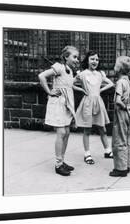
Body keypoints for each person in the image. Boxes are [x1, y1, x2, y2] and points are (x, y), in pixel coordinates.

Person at [38, 46, 79, 176]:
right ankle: (58, 164)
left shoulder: (69, 70)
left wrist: (79, 85)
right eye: (74, 57)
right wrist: (49, 91)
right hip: (58, 103)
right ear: (66, 57)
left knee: (66, 132)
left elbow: (69, 85)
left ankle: (62, 160)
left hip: (67, 104)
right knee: (61, 132)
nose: (77, 59)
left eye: (77, 57)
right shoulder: (59, 67)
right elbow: (42, 76)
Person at [74, 50, 114, 165]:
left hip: (98, 103)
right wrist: (81, 89)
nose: (94, 61)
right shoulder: (82, 74)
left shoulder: (100, 74)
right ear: (87, 60)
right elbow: (70, 84)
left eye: (96, 59)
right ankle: (87, 154)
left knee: (102, 128)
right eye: (92, 59)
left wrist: (100, 90)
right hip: (87, 103)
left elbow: (111, 83)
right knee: (87, 130)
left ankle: (107, 151)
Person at [109, 56, 130, 177]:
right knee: (126, 138)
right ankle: (126, 165)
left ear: (118, 68)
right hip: (127, 115)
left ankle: (120, 169)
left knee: (118, 139)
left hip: (121, 113)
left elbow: (118, 100)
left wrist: (124, 107)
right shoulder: (128, 82)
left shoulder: (120, 82)